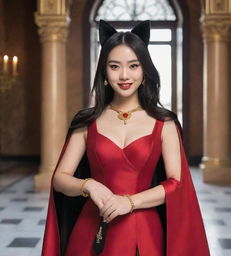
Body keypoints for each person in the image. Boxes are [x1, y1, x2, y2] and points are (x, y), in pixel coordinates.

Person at [41, 20, 210, 256]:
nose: (124, 75)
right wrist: (89, 185)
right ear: (104, 71)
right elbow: (60, 179)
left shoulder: (165, 123)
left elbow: (176, 185)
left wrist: (129, 202)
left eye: (133, 66)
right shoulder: (86, 121)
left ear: (145, 70)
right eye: (114, 66)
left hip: (144, 232)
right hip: (91, 229)